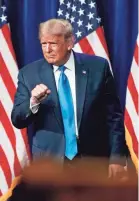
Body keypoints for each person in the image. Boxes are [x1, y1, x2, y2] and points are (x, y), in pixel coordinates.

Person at [11, 19, 127, 178]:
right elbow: (17, 119)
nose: (48, 50)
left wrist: (117, 158)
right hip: (49, 164)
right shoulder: (29, 74)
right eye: (43, 44)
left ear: (70, 42)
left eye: (53, 43)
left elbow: (113, 117)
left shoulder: (98, 68)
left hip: (93, 162)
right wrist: (33, 102)